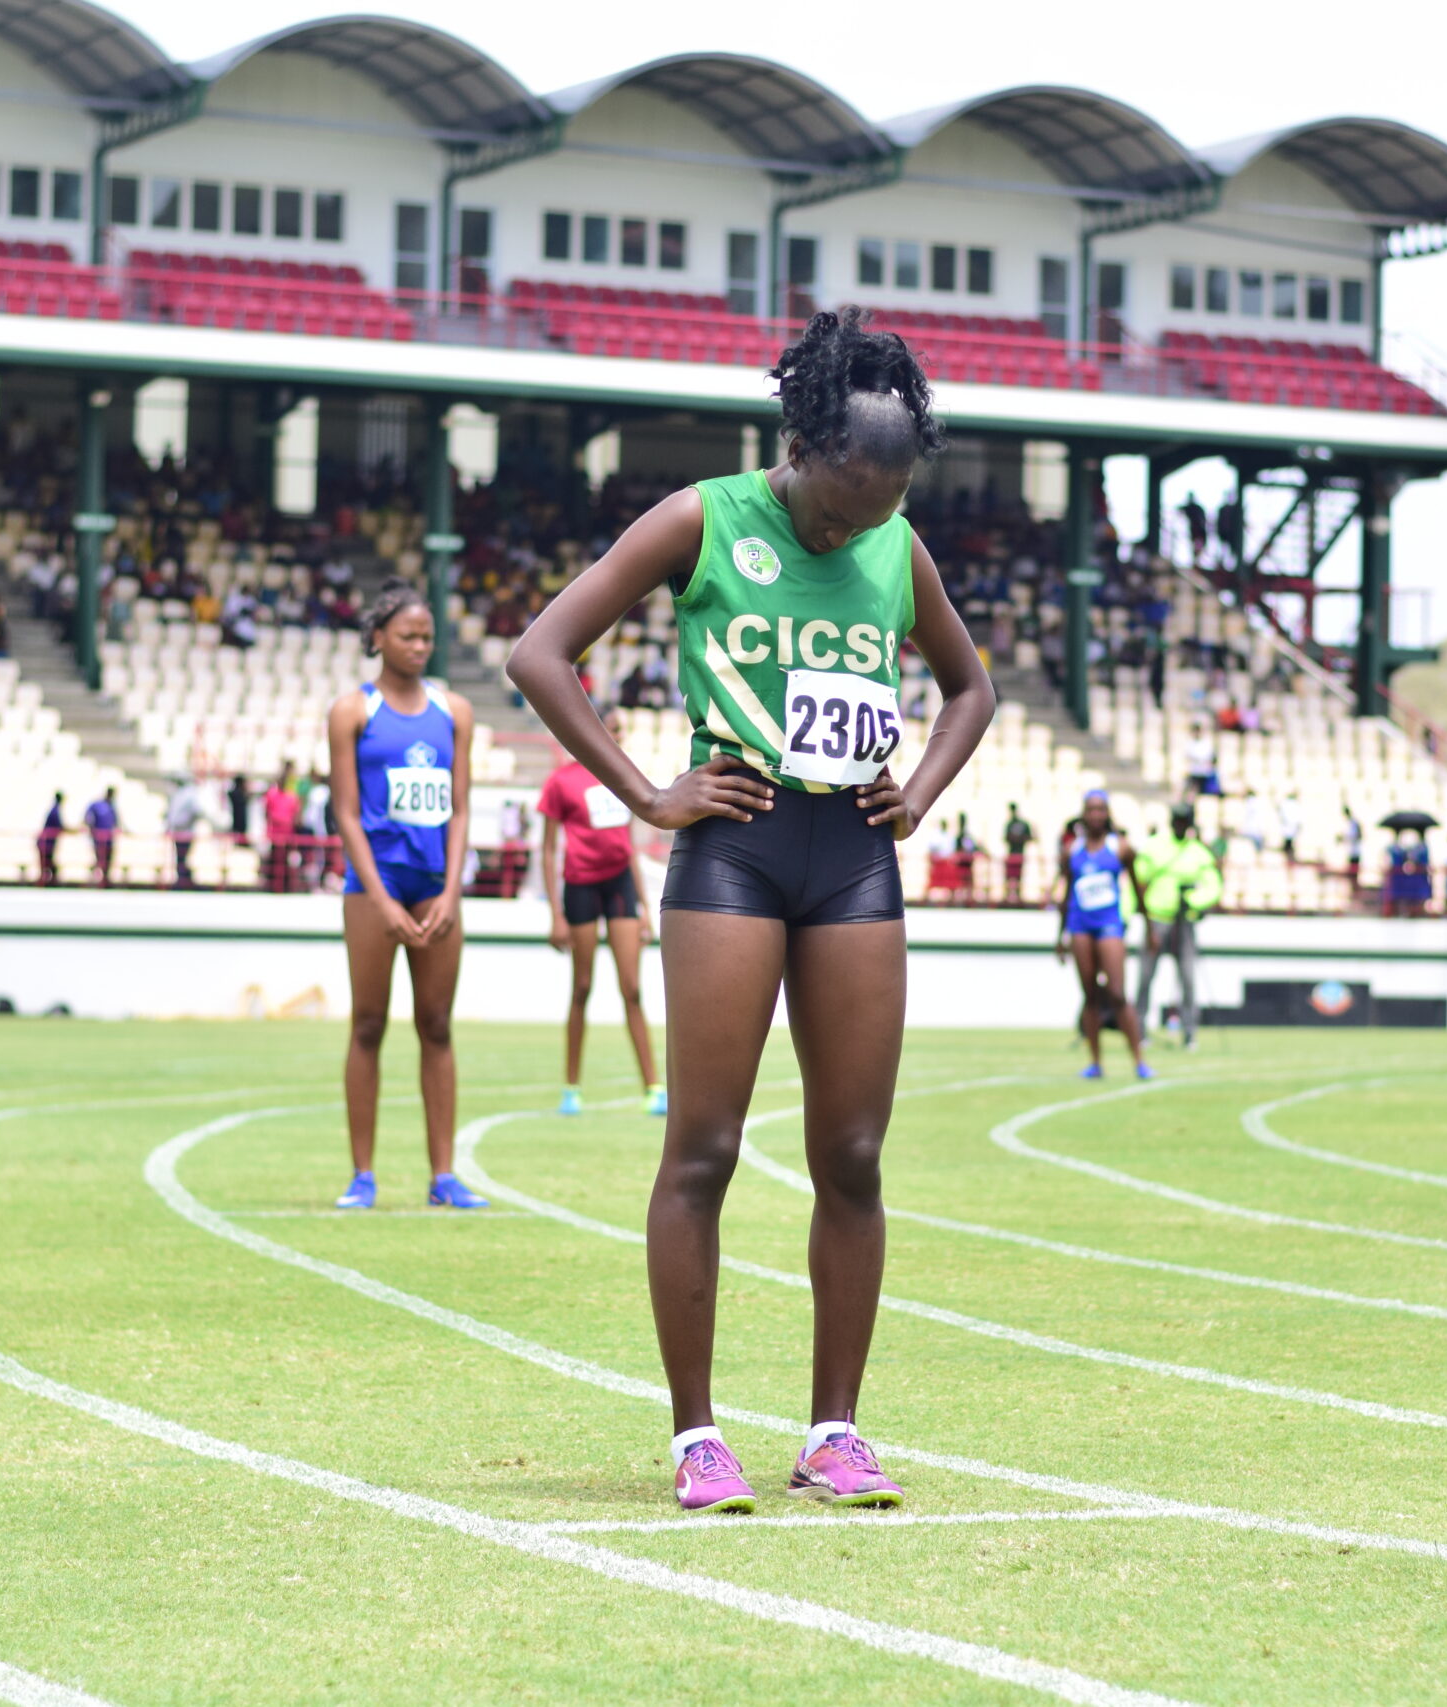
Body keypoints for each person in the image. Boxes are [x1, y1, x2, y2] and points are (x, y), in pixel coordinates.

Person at [505, 308, 994, 1514]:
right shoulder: (705, 517)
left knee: (856, 1155)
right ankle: (696, 1437)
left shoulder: (896, 544)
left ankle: (835, 1432)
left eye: (876, 510)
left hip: (855, 858)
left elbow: (968, 687)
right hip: (736, 847)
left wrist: (918, 795)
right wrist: (647, 796)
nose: (850, 527)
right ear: (802, 442)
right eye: (837, 504)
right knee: (706, 1148)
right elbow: (541, 652)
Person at [328, 584, 485, 1214]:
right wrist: (380, 898)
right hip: (374, 886)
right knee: (368, 1024)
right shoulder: (352, 712)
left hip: (435, 888)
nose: (419, 646)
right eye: (407, 636)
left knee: (437, 1025)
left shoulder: (456, 712)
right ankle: (362, 1175)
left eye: (426, 637)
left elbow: (461, 806)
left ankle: (443, 1175)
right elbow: (345, 814)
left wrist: (451, 890)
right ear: (378, 639)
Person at [538, 709, 664, 1118]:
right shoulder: (563, 781)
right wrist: (555, 912)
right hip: (581, 887)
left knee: (632, 988)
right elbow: (548, 847)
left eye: (622, 730)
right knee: (583, 986)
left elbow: (627, 843)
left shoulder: (624, 776)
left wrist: (644, 908)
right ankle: (571, 1088)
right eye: (614, 729)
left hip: (619, 887)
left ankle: (653, 1087)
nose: (619, 736)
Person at [1055, 789, 1151, 1081]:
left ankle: (1138, 1061)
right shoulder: (1071, 852)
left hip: (1110, 925)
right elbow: (1066, 894)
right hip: (1080, 926)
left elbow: (1136, 887)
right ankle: (1095, 1062)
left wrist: (1148, 925)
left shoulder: (1120, 848)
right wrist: (1060, 936)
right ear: (1083, 814)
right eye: (1091, 809)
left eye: (1101, 809)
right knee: (1090, 996)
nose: (1096, 815)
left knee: (1118, 993)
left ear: (1107, 814)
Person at [1133, 802, 1224, 1048]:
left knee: (1187, 978)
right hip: (1157, 920)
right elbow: (1137, 881)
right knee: (1145, 977)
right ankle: (1138, 1030)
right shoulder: (1155, 847)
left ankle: (1190, 1032)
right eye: (1178, 821)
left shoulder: (1198, 852)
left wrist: (1193, 902)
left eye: (1185, 822)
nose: (1181, 826)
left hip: (1185, 922)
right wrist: (1134, 912)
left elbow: (1213, 886)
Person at [263, 767, 301, 892]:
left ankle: (285, 887)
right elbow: (266, 813)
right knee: (274, 863)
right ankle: (273, 887)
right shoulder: (272, 795)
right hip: (274, 835)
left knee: (285, 864)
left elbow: (296, 817)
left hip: (287, 835)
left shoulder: (292, 797)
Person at [165, 776, 204, 890]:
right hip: (181, 832)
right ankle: (183, 879)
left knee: (181, 857)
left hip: (184, 832)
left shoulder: (187, 794)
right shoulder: (182, 794)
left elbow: (198, 810)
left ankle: (184, 879)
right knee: (181, 858)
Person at [83, 787, 119, 887]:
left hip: (109, 838)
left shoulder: (112, 807)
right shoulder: (97, 805)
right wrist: (92, 829)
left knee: (108, 860)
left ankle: (105, 880)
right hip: (98, 838)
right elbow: (87, 817)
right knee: (99, 858)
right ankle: (95, 879)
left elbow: (116, 822)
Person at [1001, 801, 1034, 903]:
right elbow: (1005, 838)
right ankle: (1009, 896)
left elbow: (1030, 837)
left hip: (1019, 854)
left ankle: (1017, 897)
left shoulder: (1020, 824)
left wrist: (1018, 839)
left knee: (1018, 876)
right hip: (1012, 854)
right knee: (1010, 876)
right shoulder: (1010, 823)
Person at [36, 790, 65, 887]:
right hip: (46, 843)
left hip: (46, 843)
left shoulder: (54, 810)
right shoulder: (55, 811)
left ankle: (48, 883)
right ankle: (48, 884)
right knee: (47, 865)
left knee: (47, 865)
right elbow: (61, 827)